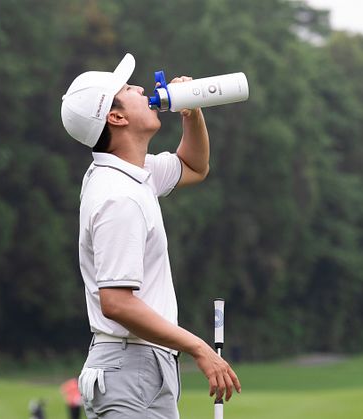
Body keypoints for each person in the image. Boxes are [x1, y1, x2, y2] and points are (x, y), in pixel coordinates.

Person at [61, 53, 241, 418]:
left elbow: (194, 166)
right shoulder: (118, 197)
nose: (142, 88)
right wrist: (199, 348)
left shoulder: (132, 173)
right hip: (129, 367)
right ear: (117, 117)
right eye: (128, 88)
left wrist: (191, 112)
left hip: (142, 365)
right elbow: (116, 302)